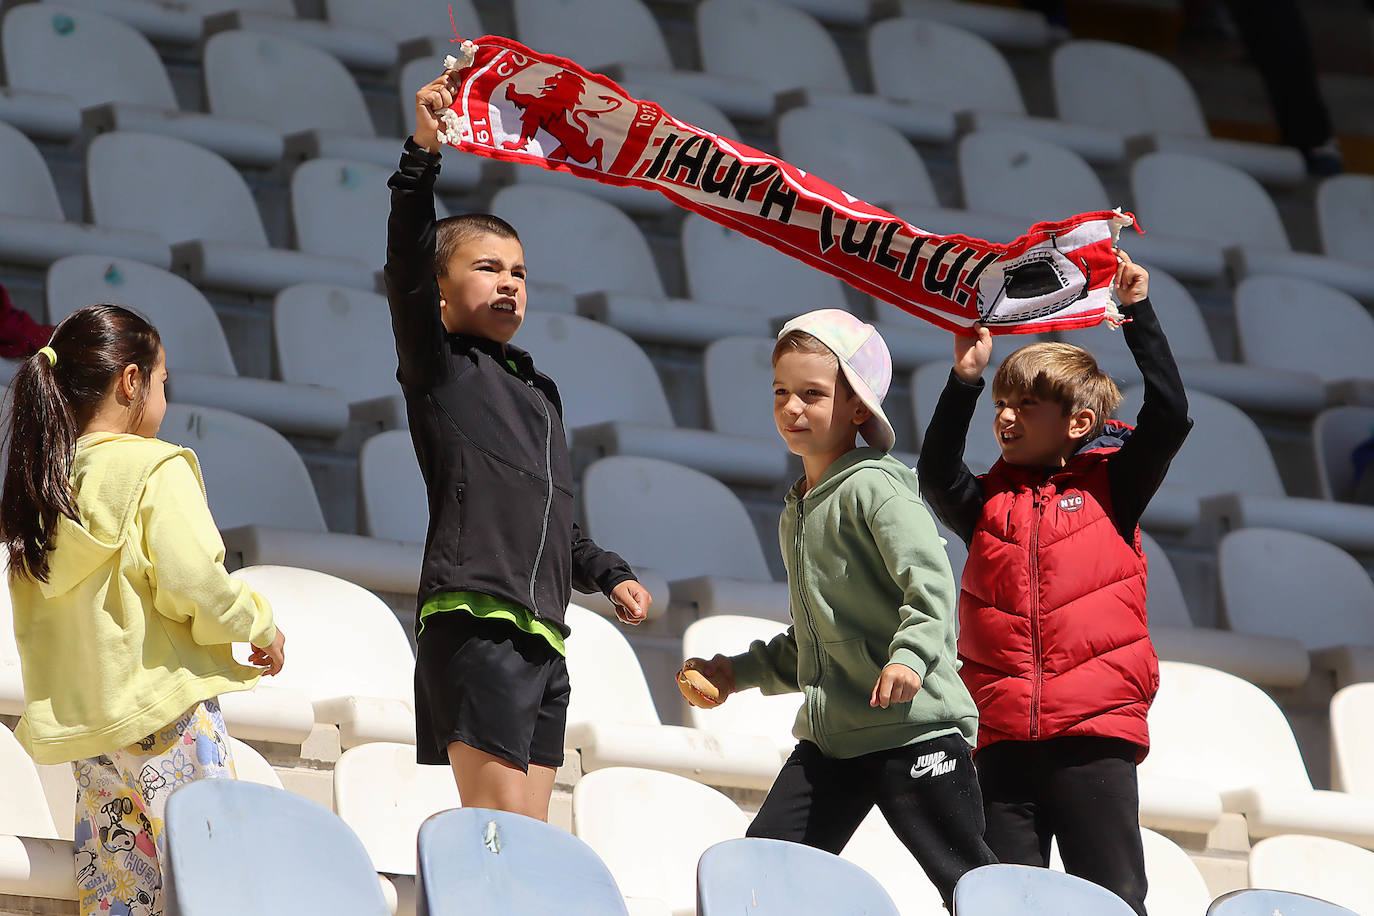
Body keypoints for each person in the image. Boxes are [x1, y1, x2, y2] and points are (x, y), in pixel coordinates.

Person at [387, 70, 654, 821]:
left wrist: (609, 574)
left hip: (545, 635)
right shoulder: (438, 366)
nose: (509, 283)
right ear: (439, 296)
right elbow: (405, 261)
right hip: (474, 622)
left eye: (520, 273)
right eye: (486, 268)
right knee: (497, 833)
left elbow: (557, 525)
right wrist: (422, 156)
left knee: (530, 846)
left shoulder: (541, 394)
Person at [684, 309, 996, 908]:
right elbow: (814, 641)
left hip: (916, 732)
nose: (791, 408)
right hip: (834, 743)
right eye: (781, 392)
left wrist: (909, 659)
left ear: (858, 407)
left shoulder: (878, 486)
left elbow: (931, 586)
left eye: (812, 394)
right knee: (760, 875)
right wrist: (735, 673)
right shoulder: (797, 509)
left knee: (970, 884)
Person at [917, 250, 1192, 916]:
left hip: (1093, 735)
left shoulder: (1114, 489)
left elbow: (1171, 416)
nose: (1006, 418)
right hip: (1003, 739)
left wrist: (1137, 313)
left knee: (1113, 899)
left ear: (1077, 423)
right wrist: (964, 383)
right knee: (1006, 901)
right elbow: (933, 472)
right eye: (1003, 404)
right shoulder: (986, 503)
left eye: (1027, 406)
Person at [0, 304, 286, 916]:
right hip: (168, 719)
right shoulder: (156, 466)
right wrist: (259, 624)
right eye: (162, 382)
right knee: (210, 884)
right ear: (132, 381)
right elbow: (197, 584)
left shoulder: (43, 485)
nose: (163, 397)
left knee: (120, 901)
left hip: (95, 736)